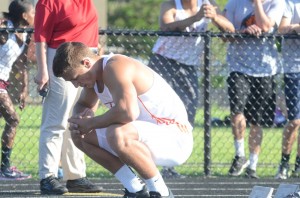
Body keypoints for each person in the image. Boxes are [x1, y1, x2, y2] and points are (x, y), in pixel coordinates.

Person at [52, 41, 194, 198]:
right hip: (144, 136)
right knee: (80, 135)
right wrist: (81, 118)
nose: (76, 85)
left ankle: (161, 192)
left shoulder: (115, 66)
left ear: (86, 63)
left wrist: (91, 122)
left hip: (176, 138)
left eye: (76, 78)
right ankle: (136, 190)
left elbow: (128, 112)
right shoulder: (93, 76)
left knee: (118, 133)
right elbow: (83, 104)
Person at [148, 0, 233, 179]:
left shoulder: (209, 4)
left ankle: (169, 166)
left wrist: (214, 17)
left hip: (188, 66)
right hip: (164, 60)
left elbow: (230, 29)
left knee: (186, 114)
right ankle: (147, 163)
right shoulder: (171, 4)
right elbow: (165, 26)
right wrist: (195, 18)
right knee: (156, 113)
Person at [33, 0, 102, 195]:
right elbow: (40, 38)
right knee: (55, 122)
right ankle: (47, 177)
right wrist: (43, 71)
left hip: (86, 62)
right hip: (62, 62)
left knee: (77, 120)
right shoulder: (48, 3)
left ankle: (76, 176)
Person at [210, 0, 284, 178]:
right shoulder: (234, 3)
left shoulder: (277, 3)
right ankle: (240, 155)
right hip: (239, 67)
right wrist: (242, 32)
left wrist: (257, 3)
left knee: (256, 122)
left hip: (265, 71)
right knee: (237, 112)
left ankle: (252, 165)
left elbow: (266, 26)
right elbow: (225, 36)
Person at [0, 0, 34, 180]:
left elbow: (21, 64)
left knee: (10, 120)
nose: (35, 16)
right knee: (13, 120)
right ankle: (4, 169)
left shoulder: (25, 33)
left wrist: (24, 89)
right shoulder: (4, 28)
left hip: (3, 81)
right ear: (24, 15)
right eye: (33, 12)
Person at [275, 0, 300, 180]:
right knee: (295, 121)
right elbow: (281, 29)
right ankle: (284, 162)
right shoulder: (290, 3)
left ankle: (298, 164)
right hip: (295, 68)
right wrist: (296, 27)